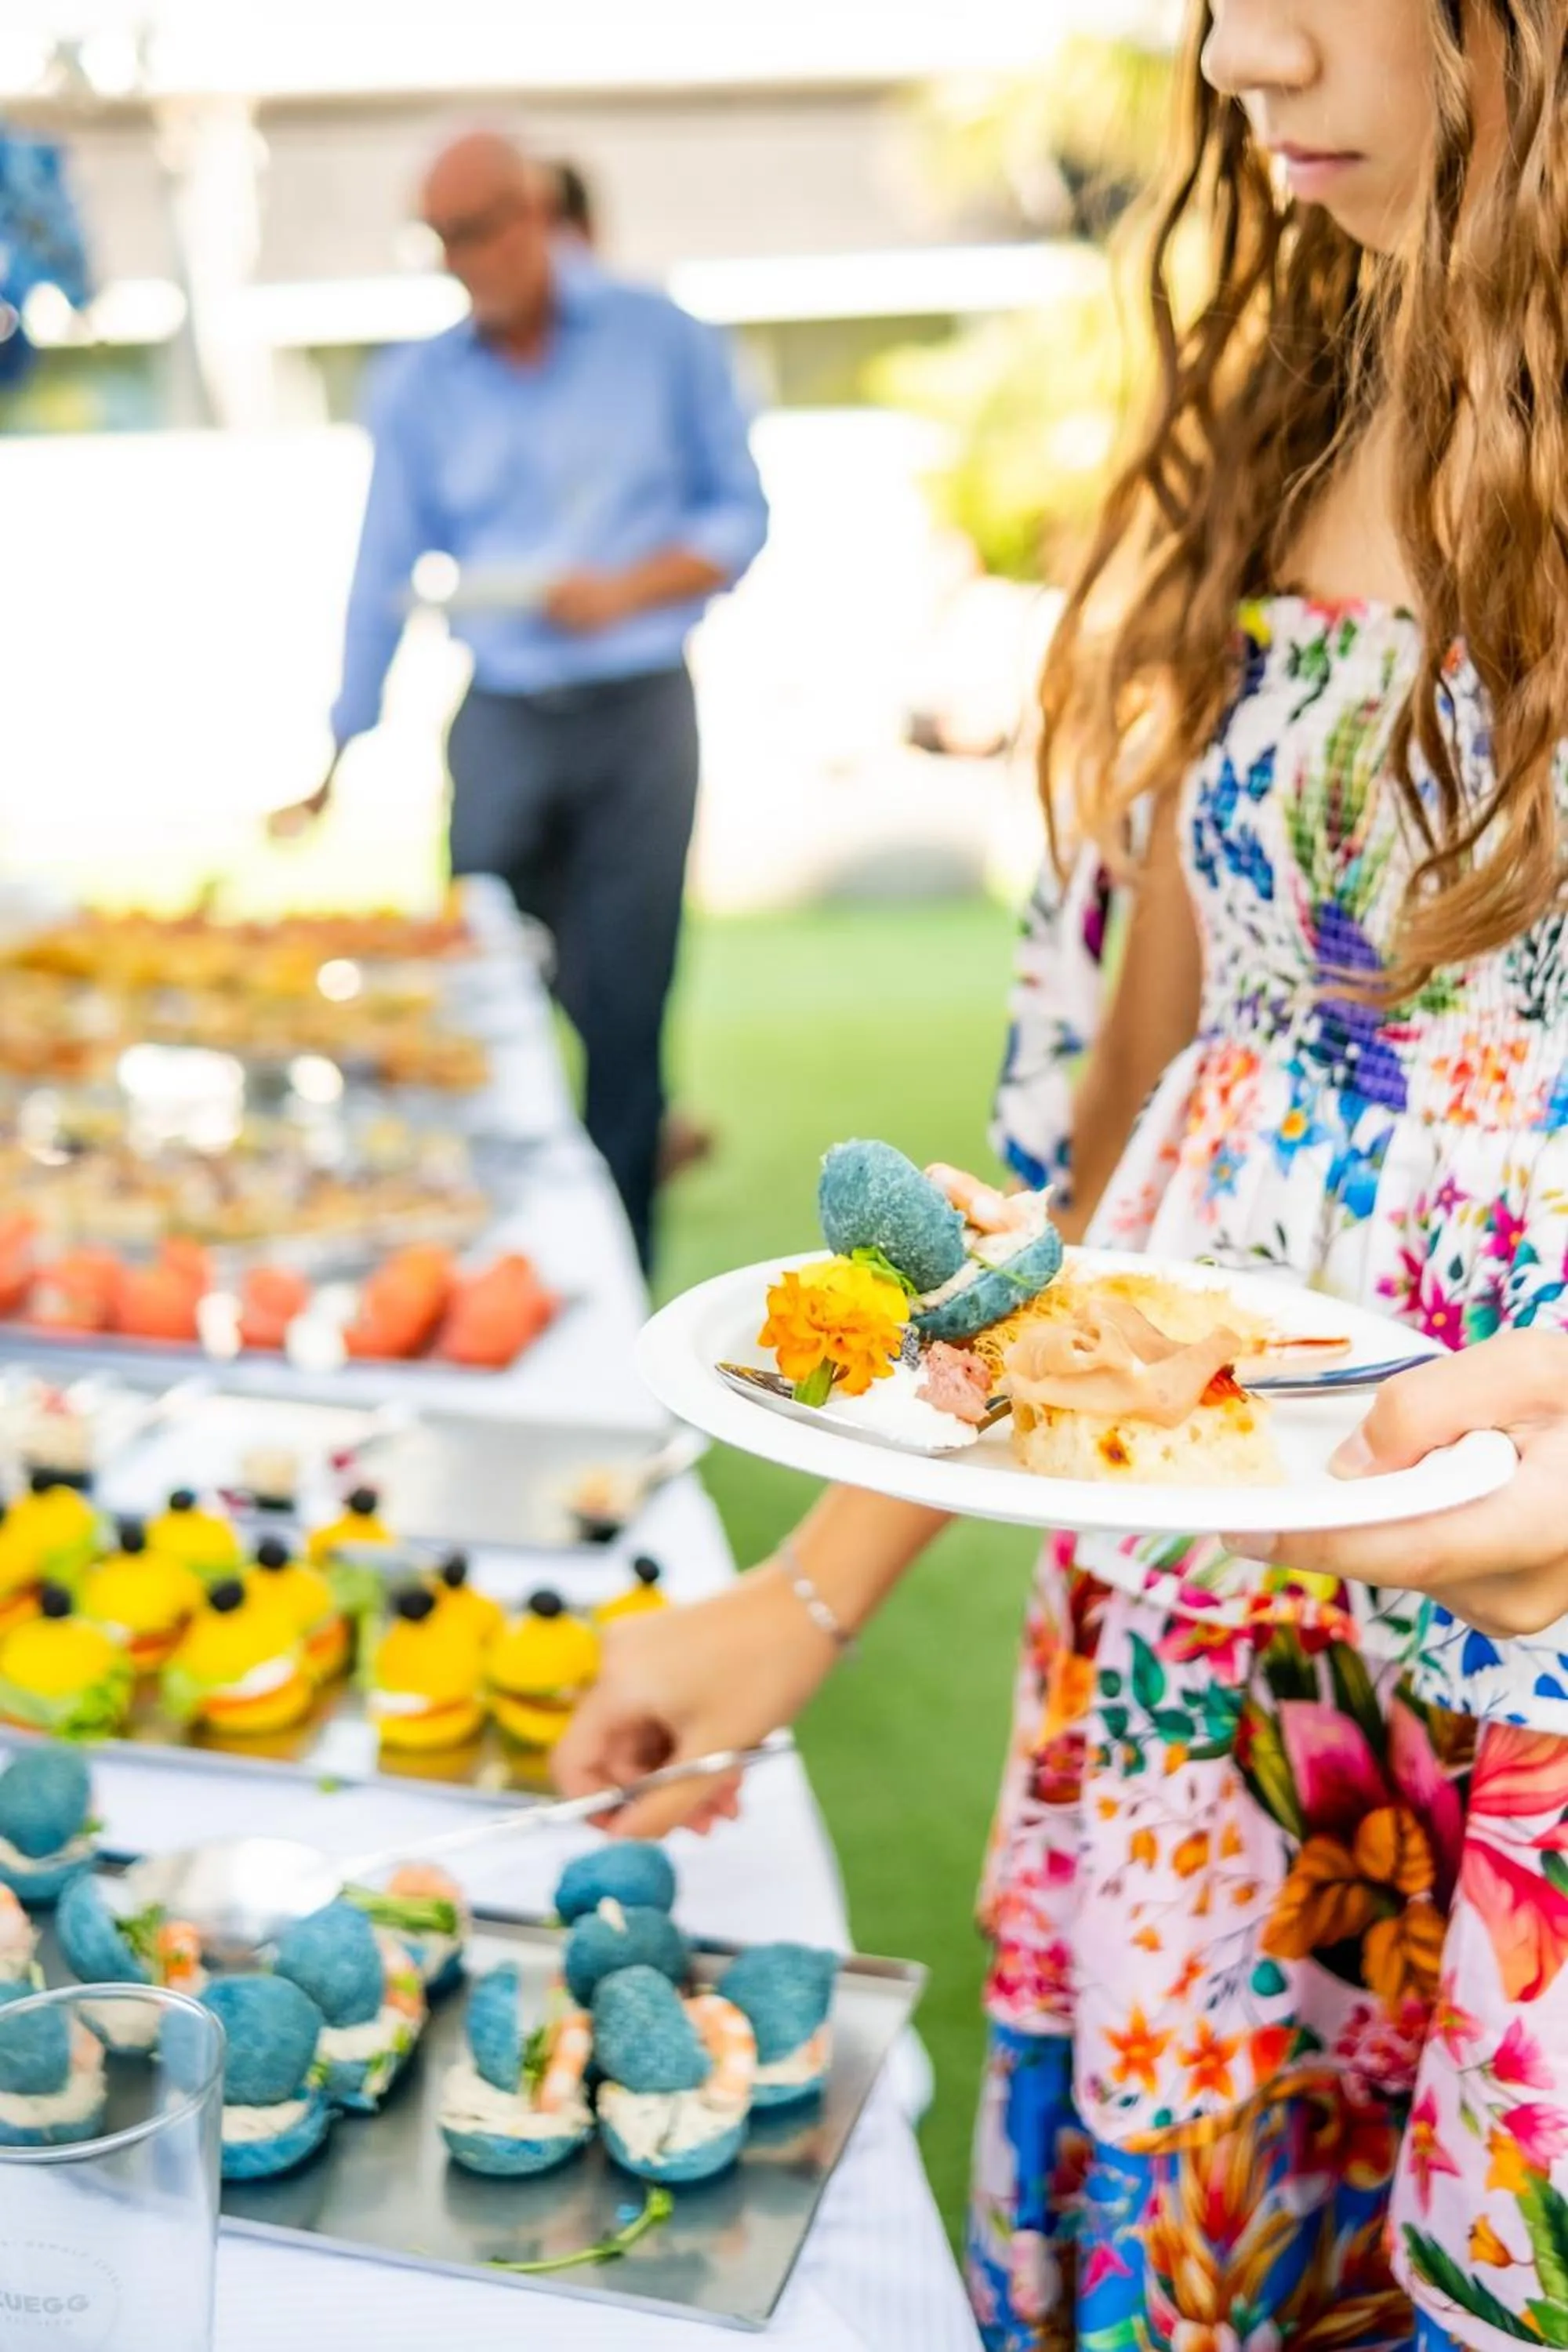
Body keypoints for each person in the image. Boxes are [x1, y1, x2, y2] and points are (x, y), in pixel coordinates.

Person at [555, 3, 1568, 2346]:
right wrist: (795, 1602)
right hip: (1209, 1638)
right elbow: (1113, 1164)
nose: (1239, 48)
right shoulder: (1288, 419)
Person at [272, 131, 768, 1269]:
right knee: (487, 1000)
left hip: (639, 709)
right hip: (500, 716)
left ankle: (619, 1285)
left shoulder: (663, 340)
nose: (463, 260)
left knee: (629, 1006)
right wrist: (340, 745)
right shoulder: (419, 385)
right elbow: (380, 575)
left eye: (478, 231)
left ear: (536, 213)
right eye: (441, 241)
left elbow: (742, 518)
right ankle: (512, 1261)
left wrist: (627, 589)